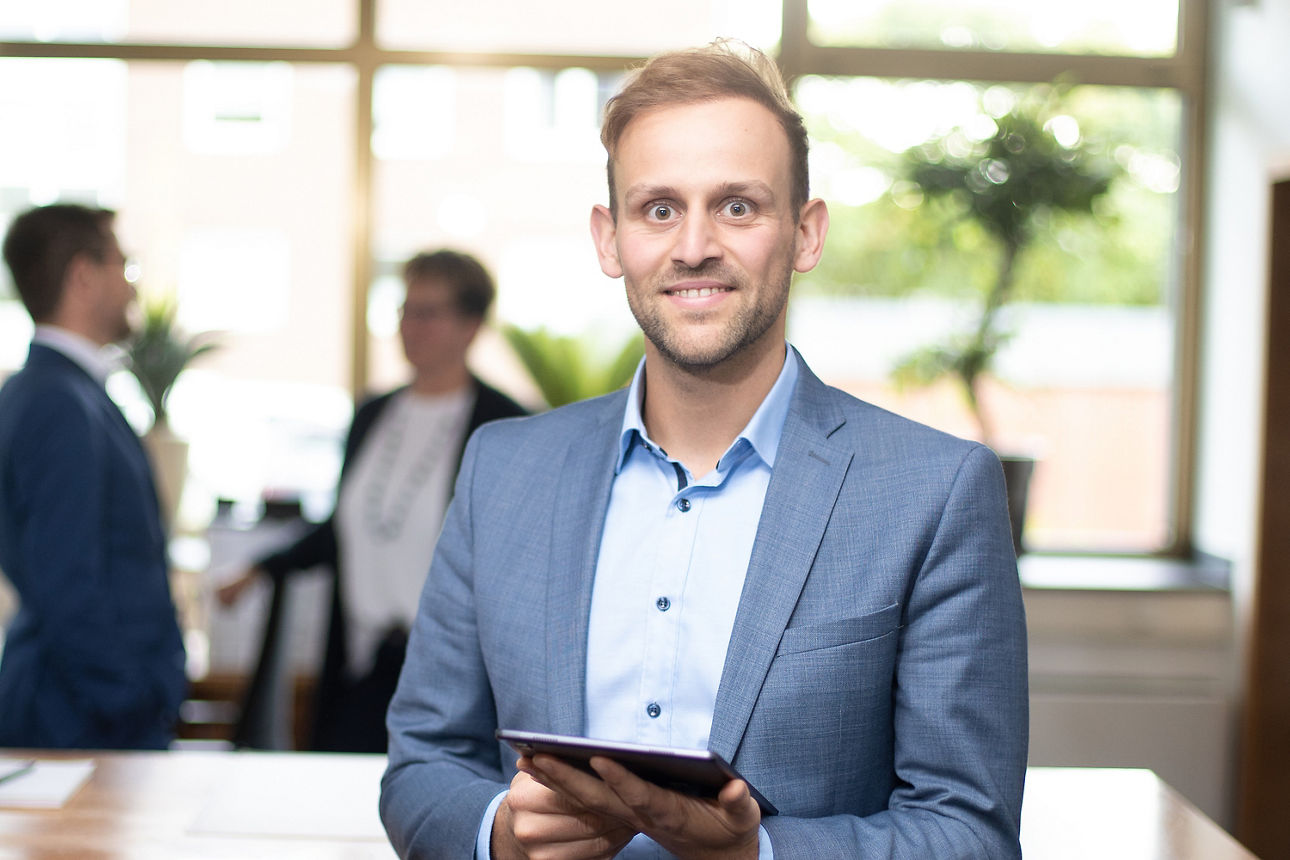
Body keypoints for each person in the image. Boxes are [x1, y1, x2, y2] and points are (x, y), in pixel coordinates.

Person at [380, 39, 1028, 859]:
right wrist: (501, 833)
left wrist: (754, 856)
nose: (693, 246)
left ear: (806, 234)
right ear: (610, 238)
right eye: (658, 209)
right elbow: (423, 764)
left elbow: (969, 831)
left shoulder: (933, 492)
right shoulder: (502, 471)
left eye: (737, 206)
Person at [217, 249, 527, 753]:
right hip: (357, 665)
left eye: (428, 312)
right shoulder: (372, 413)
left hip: (450, 675)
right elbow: (343, 528)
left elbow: (515, 559)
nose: (410, 326)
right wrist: (260, 568)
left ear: (470, 326)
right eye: (405, 310)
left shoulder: (505, 423)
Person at [0, 203, 187, 750]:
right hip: (80, 719)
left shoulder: (55, 391)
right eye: (123, 267)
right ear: (83, 276)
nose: (131, 288)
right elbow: (66, 579)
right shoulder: (58, 402)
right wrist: (130, 698)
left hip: (82, 710)